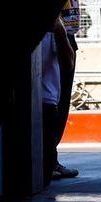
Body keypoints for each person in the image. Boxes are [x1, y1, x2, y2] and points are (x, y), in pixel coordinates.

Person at [41, 0, 80, 179]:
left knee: (63, 98)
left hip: (69, 32)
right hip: (48, 33)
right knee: (48, 98)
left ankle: (52, 156)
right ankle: (44, 159)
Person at [41, 18, 75, 186]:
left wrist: (61, 33)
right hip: (45, 101)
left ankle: (51, 163)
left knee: (44, 175)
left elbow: (68, 62)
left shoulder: (56, 29)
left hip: (47, 101)